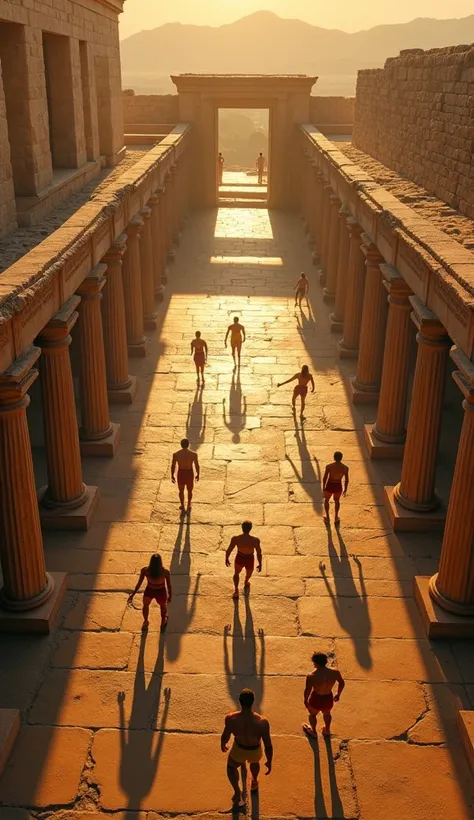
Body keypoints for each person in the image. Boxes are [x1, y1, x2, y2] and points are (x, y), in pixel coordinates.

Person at [221, 688, 273, 805]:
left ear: (240, 702)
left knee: (231, 767)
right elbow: (268, 745)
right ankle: (254, 781)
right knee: (254, 763)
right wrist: (269, 761)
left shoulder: (231, 719)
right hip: (255, 750)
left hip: (239, 749)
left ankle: (237, 792)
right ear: (253, 702)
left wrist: (223, 744)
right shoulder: (262, 722)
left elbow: (225, 735)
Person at [303, 651, 345, 737]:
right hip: (328, 698)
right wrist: (338, 694)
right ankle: (327, 730)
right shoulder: (335, 672)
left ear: (315, 662)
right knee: (327, 713)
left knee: (312, 714)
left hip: (316, 698)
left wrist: (305, 700)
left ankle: (313, 731)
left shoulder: (312, 676)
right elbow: (341, 682)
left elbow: (307, 690)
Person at [128, 553, 172, 631]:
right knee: (163, 607)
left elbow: (139, 584)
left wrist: (133, 594)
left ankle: (145, 621)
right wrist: (170, 596)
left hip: (149, 590)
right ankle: (163, 622)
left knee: (145, 606)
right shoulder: (165, 572)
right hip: (161, 592)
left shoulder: (145, 570)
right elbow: (169, 585)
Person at [225, 521, 262, 599]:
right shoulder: (255, 540)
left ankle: (236, 590)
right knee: (249, 574)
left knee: (236, 573)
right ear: (251, 528)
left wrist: (227, 558)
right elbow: (259, 553)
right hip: (249, 559)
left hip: (240, 557)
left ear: (242, 528)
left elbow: (229, 550)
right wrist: (260, 564)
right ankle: (245, 582)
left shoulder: (236, 539)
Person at [171, 438, 200, 512]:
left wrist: (172, 475)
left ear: (181, 445)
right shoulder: (193, 454)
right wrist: (198, 474)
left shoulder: (176, 454)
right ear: (188, 445)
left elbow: (173, 466)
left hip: (181, 473)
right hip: (189, 473)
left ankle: (182, 505)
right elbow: (197, 465)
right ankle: (189, 504)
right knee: (190, 491)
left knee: (181, 491)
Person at [322, 451, 349, 526]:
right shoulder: (345, 468)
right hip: (338, 485)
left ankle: (327, 517)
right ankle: (336, 517)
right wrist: (345, 489)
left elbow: (325, 478)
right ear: (341, 458)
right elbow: (347, 480)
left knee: (326, 500)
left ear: (334, 457)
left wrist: (324, 487)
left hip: (330, 484)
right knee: (337, 500)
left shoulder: (329, 466)